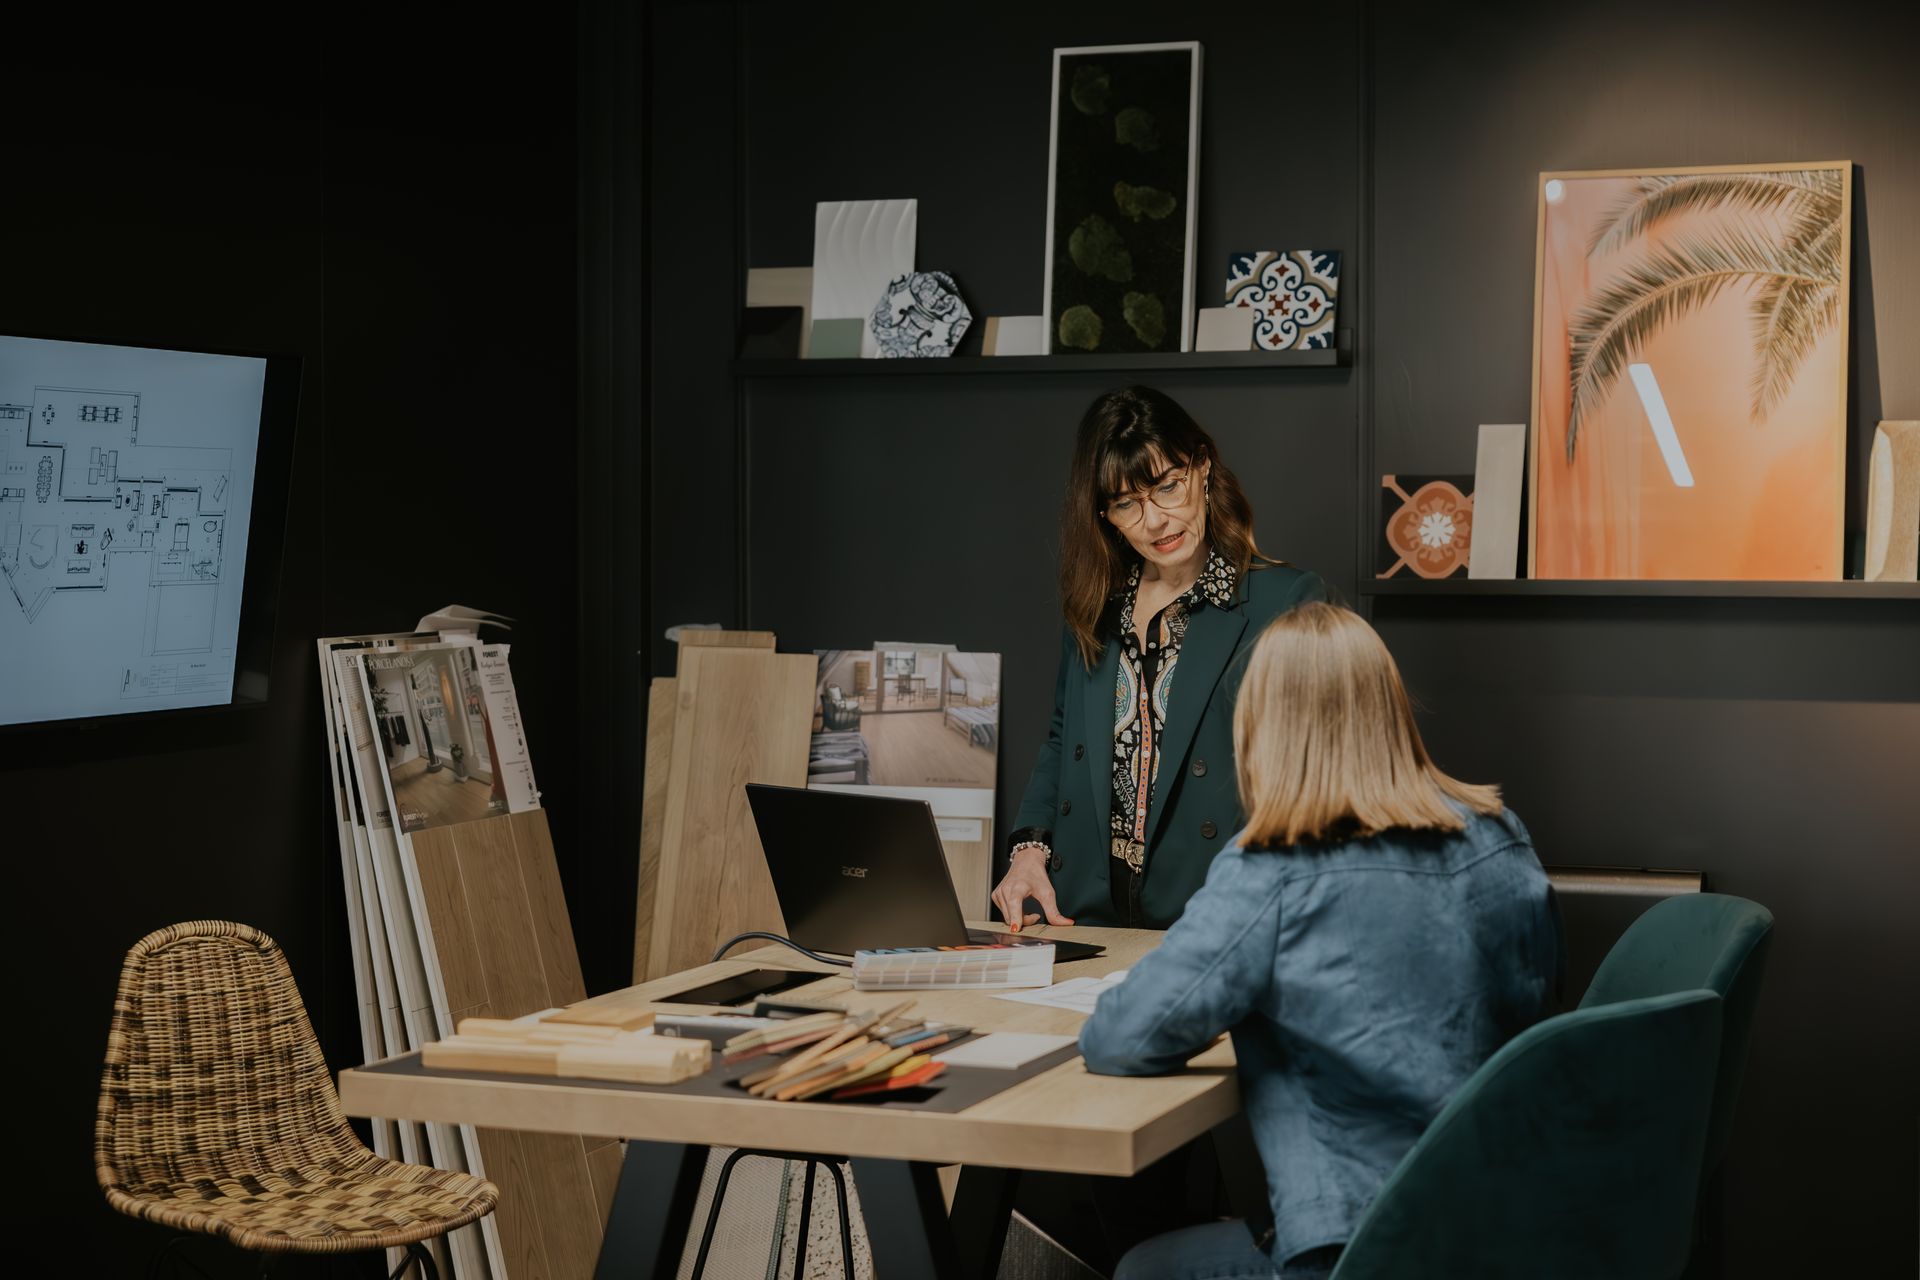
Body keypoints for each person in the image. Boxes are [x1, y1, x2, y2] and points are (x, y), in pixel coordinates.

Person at [1080, 602, 1562, 1280]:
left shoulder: (1272, 869)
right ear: (1389, 708)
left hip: (1362, 1243)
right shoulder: (1498, 833)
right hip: (1506, 1220)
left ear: (1262, 727)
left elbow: (1123, 1038)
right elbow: (1538, 999)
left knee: (1144, 1268)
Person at [992, 386, 1325, 933]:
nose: (1155, 521)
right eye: (1127, 503)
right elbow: (1061, 740)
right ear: (1106, 515)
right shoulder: (1095, 605)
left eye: (1168, 487)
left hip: (1214, 915)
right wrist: (1028, 851)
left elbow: (1316, 778)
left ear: (1202, 468)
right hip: (1085, 915)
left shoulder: (1282, 602)